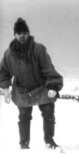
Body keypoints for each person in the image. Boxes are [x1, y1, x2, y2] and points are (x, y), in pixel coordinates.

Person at [0, 18, 63, 149]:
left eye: (24, 33)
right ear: (15, 35)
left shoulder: (38, 49)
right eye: (19, 33)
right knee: (24, 116)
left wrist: (53, 86)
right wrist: (6, 89)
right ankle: (24, 143)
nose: (22, 36)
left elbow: (48, 68)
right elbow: (4, 72)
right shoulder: (9, 53)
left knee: (48, 113)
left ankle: (49, 141)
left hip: (41, 87)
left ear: (28, 34)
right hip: (21, 90)